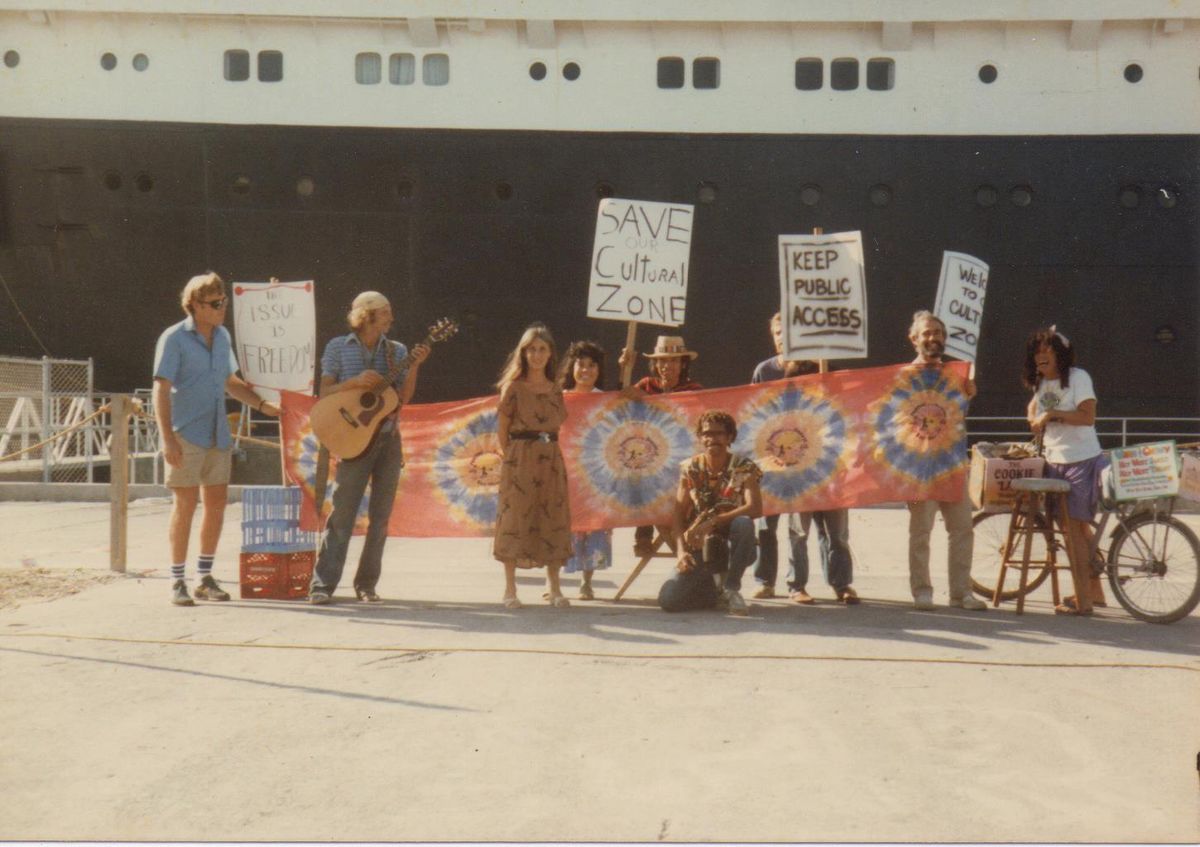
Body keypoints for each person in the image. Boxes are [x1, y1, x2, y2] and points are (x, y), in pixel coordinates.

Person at [153, 272, 280, 606]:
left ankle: (204, 576)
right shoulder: (174, 338)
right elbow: (161, 389)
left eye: (224, 301)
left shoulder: (222, 336)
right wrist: (168, 439)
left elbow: (230, 381)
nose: (223, 307)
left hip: (217, 434)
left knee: (216, 504)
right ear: (195, 304)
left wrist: (264, 406)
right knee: (185, 504)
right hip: (186, 433)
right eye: (215, 303)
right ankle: (177, 579)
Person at [308, 291, 430, 604]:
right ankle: (322, 585)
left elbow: (402, 398)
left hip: (388, 439)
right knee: (342, 514)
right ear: (368, 315)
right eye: (385, 312)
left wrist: (414, 366)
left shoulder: (397, 351)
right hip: (354, 441)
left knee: (381, 517)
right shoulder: (338, 347)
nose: (391, 317)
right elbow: (325, 391)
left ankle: (366, 584)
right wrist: (355, 382)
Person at [750, 312, 859, 605]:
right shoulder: (764, 370)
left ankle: (840, 583)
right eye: (777, 332)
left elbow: (846, 411)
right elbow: (753, 411)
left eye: (789, 331)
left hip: (824, 461)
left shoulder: (825, 367)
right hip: (777, 460)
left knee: (834, 529)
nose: (783, 337)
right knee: (774, 526)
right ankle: (776, 582)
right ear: (772, 335)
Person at [904, 310, 988, 611]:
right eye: (926, 333)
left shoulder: (956, 375)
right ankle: (922, 591)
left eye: (937, 333)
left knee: (962, 529)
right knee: (921, 533)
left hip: (952, 464)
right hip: (920, 467)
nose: (932, 338)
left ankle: (961, 593)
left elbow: (954, 417)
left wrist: (968, 395)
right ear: (914, 339)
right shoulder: (901, 377)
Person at [1025, 325, 1107, 616]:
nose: (1041, 357)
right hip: (1055, 462)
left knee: (1074, 532)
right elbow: (1033, 412)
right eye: (1037, 352)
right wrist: (1037, 417)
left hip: (1080, 461)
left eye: (1047, 351)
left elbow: (1088, 416)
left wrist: (1054, 414)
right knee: (1078, 531)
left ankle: (1083, 603)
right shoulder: (1043, 384)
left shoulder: (1078, 378)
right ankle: (1095, 593)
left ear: (1061, 354)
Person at [493, 323, 573, 609]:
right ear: (523, 353)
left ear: (550, 353)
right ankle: (510, 589)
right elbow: (502, 428)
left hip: (550, 458)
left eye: (542, 349)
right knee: (515, 519)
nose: (537, 355)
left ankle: (554, 587)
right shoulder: (512, 388)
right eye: (531, 350)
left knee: (553, 516)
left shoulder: (555, 389)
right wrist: (513, 458)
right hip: (520, 458)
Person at [659, 410, 762, 615]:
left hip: (732, 540)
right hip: (700, 542)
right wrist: (681, 552)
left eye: (718, 434)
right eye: (706, 434)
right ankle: (711, 589)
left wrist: (714, 521)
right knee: (669, 601)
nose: (711, 438)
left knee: (744, 523)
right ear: (700, 438)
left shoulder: (744, 467)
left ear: (730, 437)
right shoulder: (691, 468)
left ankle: (731, 589)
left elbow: (755, 508)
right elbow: (678, 513)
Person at [619, 335, 703, 557]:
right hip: (651, 455)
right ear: (655, 364)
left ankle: (690, 534)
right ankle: (643, 536)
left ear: (683, 363)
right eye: (663, 361)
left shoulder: (694, 389)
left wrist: (647, 400)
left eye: (674, 361)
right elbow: (621, 399)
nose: (668, 366)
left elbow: (696, 417)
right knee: (641, 472)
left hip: (681, 456)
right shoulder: (646, 385)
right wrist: (624, 371)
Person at [559, 340, 612, 601]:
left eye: (592, 366)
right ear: (572, 367)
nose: (586, 370)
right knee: (561, 526)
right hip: (565, 471)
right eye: (581, 364)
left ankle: (586, 582)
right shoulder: (558, 397)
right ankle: (553, 581)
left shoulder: (606, 399)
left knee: (593, 527)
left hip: (595, 474)